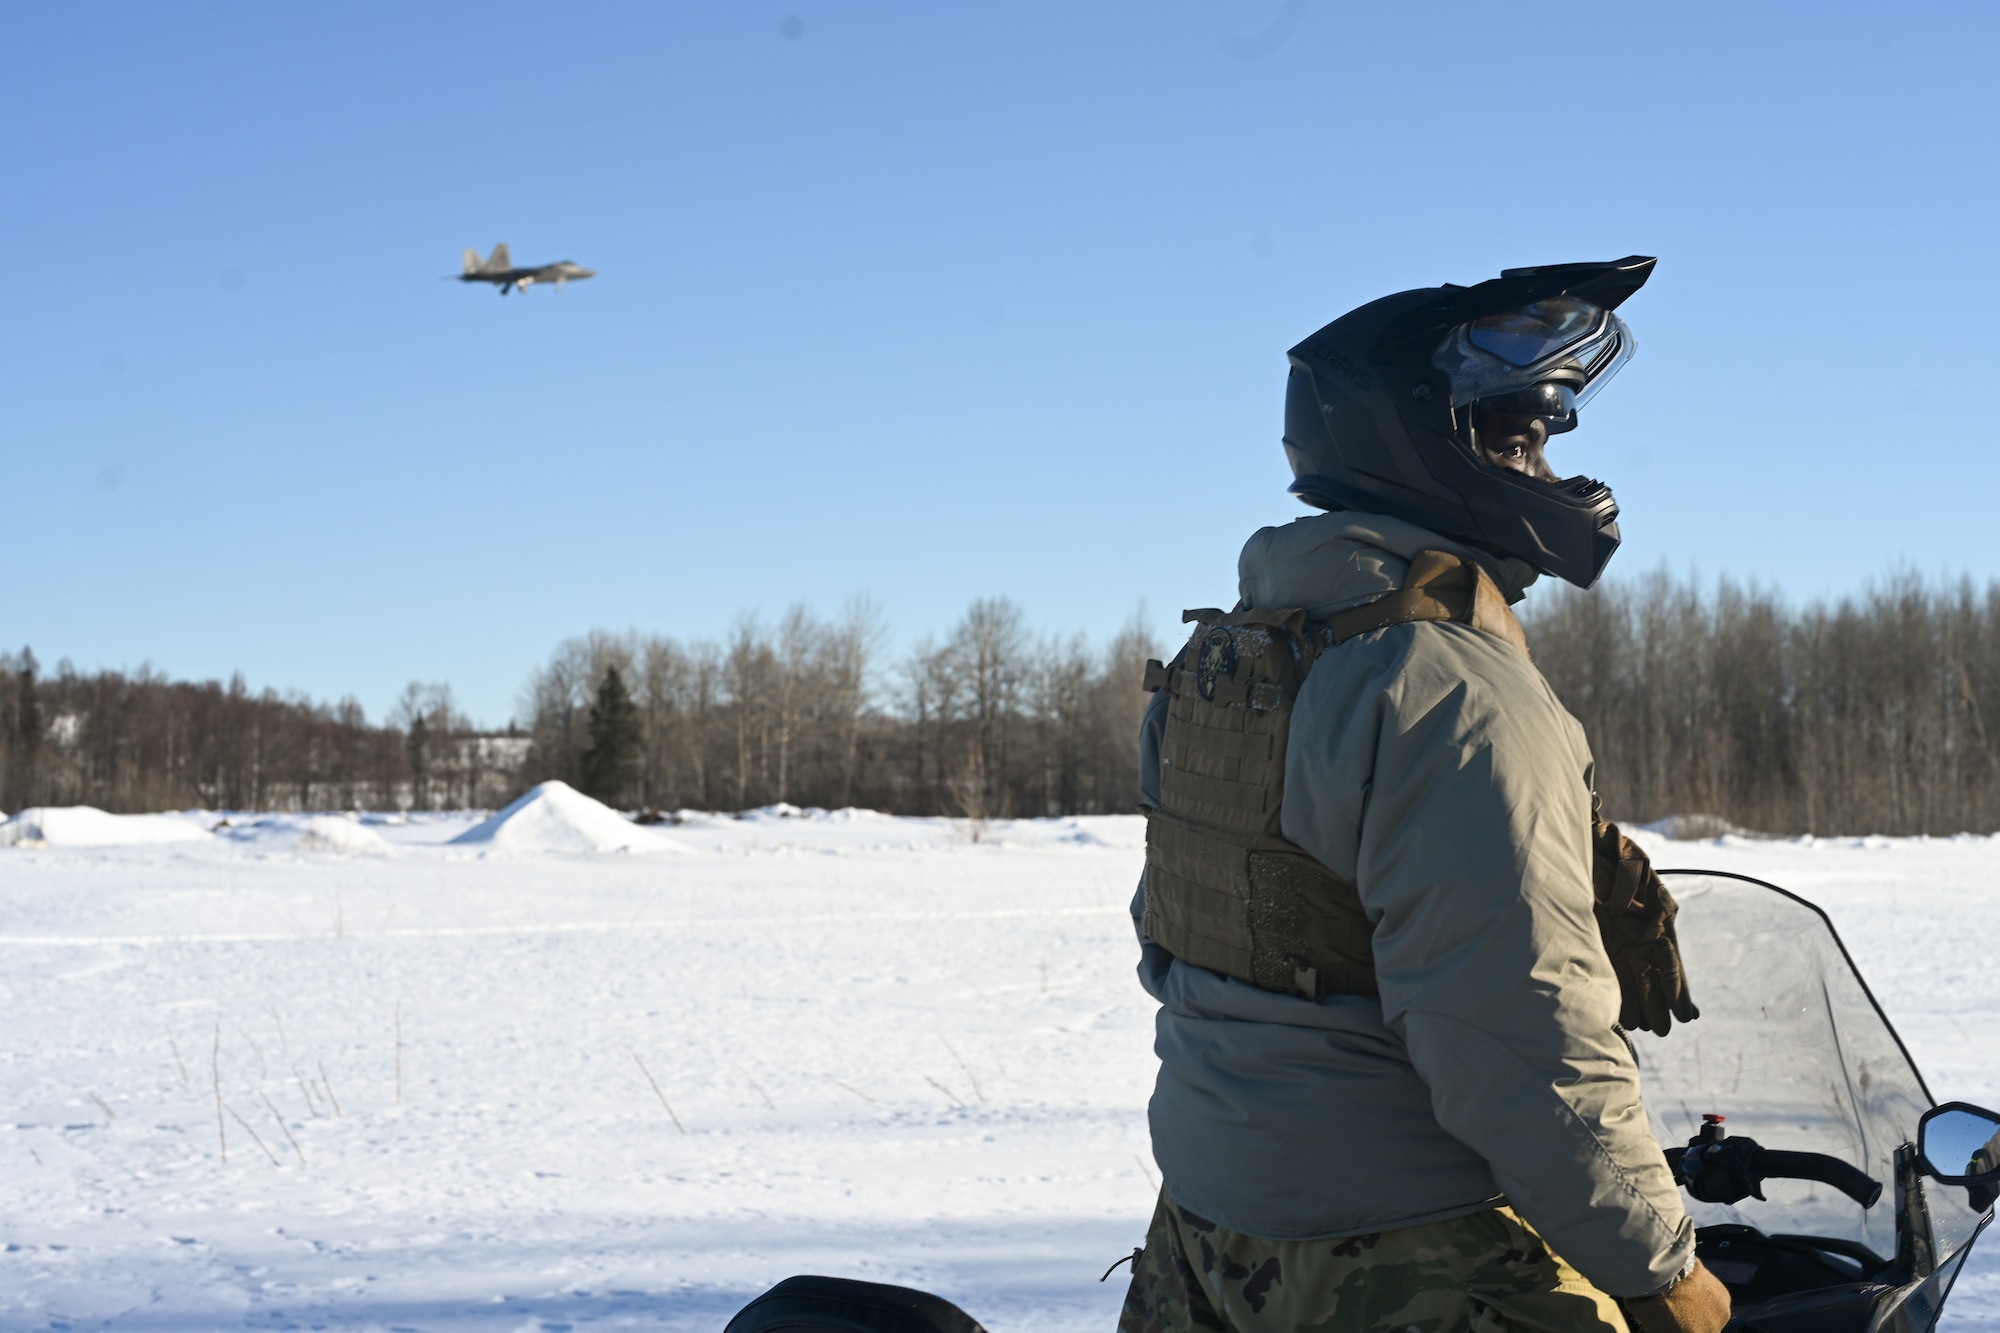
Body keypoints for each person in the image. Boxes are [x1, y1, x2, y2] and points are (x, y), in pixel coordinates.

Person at [1116, 259, 1730, 1333]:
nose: (1546, 468)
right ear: (1423, 439)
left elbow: (1179, 935)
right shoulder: (1447, 686)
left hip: (1206, 1230)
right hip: (1405, 1244)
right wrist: (1658, 1267)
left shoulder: (1235, 655)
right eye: (1517, 437)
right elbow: (1511, 1025)